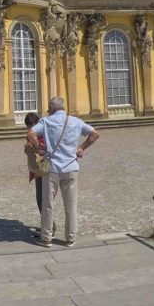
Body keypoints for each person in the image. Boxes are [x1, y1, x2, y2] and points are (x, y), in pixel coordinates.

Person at [28, 96, 99, 247]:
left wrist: (40, 148)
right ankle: (70, 238)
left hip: (52, 168)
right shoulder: (76, 121)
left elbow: (30, 134)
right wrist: (81, 148)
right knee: (71, 204)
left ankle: (46, 238)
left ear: (51, 108)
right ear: (63, 107)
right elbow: (94, 134)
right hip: (71, 167)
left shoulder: (46, 122)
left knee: (47, 204)